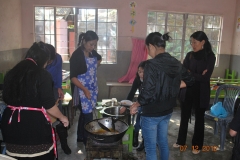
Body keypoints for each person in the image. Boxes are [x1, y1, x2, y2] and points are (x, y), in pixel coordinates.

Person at [130, 32, 194, 160]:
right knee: (163, 143)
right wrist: (174, 86)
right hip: (167, 111)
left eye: (148, 49)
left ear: (152, 46)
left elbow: (148, 91)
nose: (148, 52)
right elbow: (190, 79)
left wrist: (136, 103)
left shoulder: (151, 64)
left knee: (151, 148)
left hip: (151, 113)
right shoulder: (175, 62)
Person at [1, 42, 69, 160]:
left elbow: (6, 98)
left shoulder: (11, 73)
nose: (46, 66)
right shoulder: (42, 74)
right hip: (33, 127)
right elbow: (49, 104)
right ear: (45, 59)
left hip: (10, 126)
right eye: (47, 63)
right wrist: (62, 117)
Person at [173, 31, 216, 154]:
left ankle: (196, 145)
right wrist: (195, 74)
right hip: (187, 91)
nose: (192, 44)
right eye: (191, 42)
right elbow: (183, 73)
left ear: (203, 42)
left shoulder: (210, 57)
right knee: (184, 117)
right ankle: (181, 141)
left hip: (201, 93)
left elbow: (205, 78)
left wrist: (190, 73)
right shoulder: (189, 55)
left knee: (199, 120)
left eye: (195, 42)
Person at [70, 30, 102, 145]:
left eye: (94, 45)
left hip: (92, 88)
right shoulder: (77, 55)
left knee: (84, 114)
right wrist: (84, 90)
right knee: (88, 116)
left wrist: (97, 65)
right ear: (84, 41)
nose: (93, 47)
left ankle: (80, 136)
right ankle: (89, 141)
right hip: (81, 89)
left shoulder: (93, 53)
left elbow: (99, 58)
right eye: (91, 44)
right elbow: (73, 77)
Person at [45, 43, 71, 155]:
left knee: (59, 118)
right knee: (46, 120)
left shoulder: (58, 58)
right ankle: (48, 145)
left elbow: (58, 75)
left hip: (53, 90)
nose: (50, 62)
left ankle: (64, 144)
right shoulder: (41, 62)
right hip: (42, 91)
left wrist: (59, 87)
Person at [126, 61, 147, 151]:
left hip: (150, 105)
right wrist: (125, 104)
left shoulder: (151, 80)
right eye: (139, 71)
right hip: (140, 102)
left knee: (146, 125)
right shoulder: (137, 79)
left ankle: (144, 143)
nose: (141, 74)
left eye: (143, 72)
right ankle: (135, 135)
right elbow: (132, 92)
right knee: (138, 122)